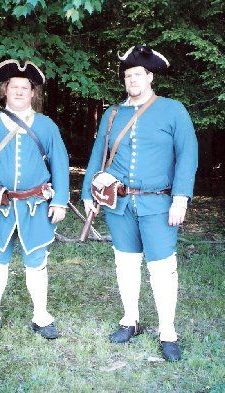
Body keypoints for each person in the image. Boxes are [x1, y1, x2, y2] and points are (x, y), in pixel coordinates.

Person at [82, 45, 198, 361]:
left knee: (162, 268)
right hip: (119, 204)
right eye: (127, 76)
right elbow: (97, 157)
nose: (132, 80)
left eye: (138, 75)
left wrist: (180, 200)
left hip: (158, 204)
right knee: (126, 263)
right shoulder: (113, 114)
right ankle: (130, 320)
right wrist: (88, 194)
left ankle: (168, 332)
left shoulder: (173, 110)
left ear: (150, 77)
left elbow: (187, 156)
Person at [0, 59, 69, 339]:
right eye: (14, 86)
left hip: (36, 205)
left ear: (33, 93)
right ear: (4, 91)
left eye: (25, 87)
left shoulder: (46, 125)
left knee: (37, 260)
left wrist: (60, 201)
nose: (19, 91)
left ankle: (41, 316)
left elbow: (60, 163)